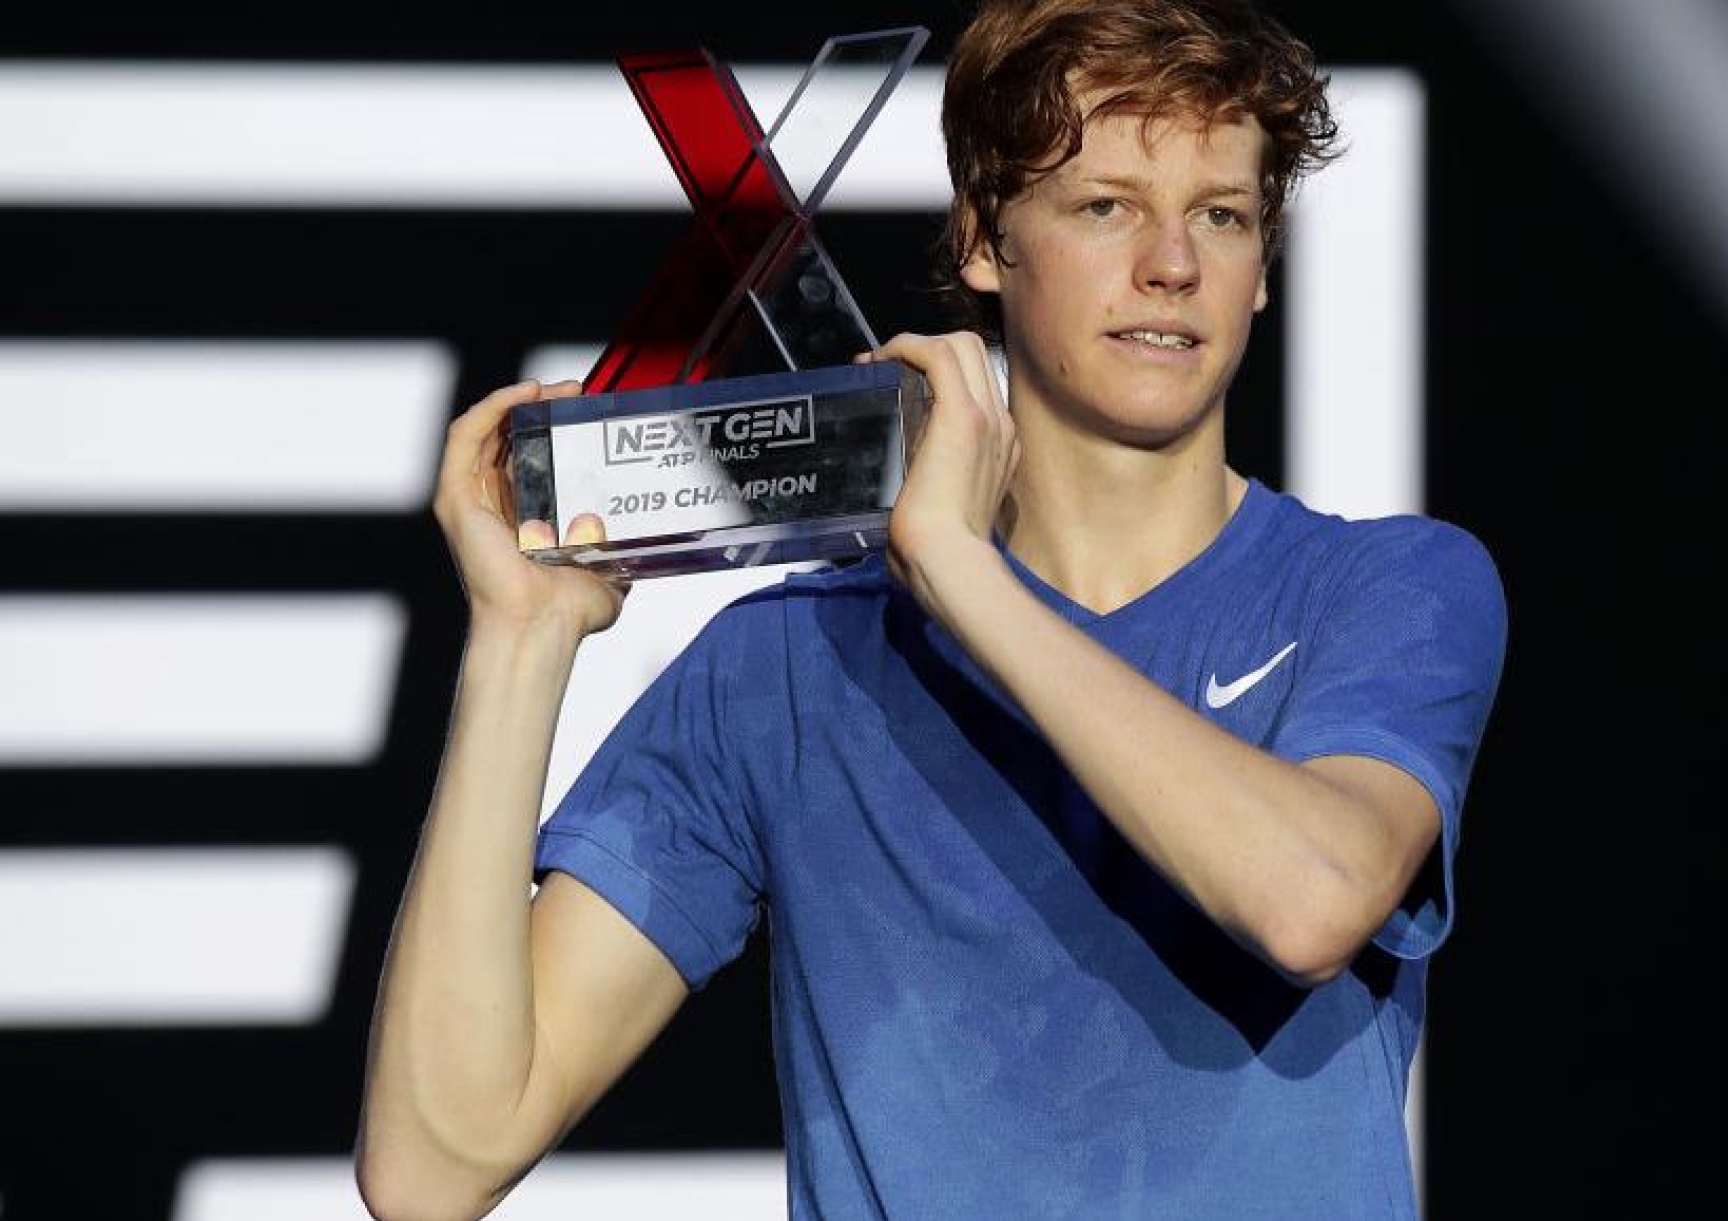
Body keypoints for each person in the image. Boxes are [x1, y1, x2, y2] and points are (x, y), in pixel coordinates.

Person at [357, 1, 1506, 1218]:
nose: (1173, 263)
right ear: (981, 240)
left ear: (1262, 267)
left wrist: (959, 570)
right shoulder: (792, 666)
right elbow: (436, 1163)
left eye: (1220, 215)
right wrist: (519, 644)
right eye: (1105, 205)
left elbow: (1310, 900)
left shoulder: (1389, 588)